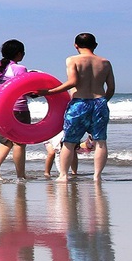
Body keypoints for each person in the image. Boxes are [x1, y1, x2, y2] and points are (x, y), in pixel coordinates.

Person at [43, 33, 115, 181]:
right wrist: (102, 102)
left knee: (69, 141)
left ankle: (63, 175)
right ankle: (97, 176)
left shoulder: (72, 60)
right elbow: (111, 88)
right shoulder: (105, 62)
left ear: (75, 45)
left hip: (79, 103)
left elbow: (73, 82)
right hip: (99, 102)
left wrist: (48, 92)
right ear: (95, 45)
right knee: (100, 141)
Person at [0, 39, 32, 181]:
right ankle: (21, 176)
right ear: (19, 54)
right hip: (18, 109)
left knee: (6, 142)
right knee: (19, 142)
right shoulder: (20, 69)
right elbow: (26, 89)